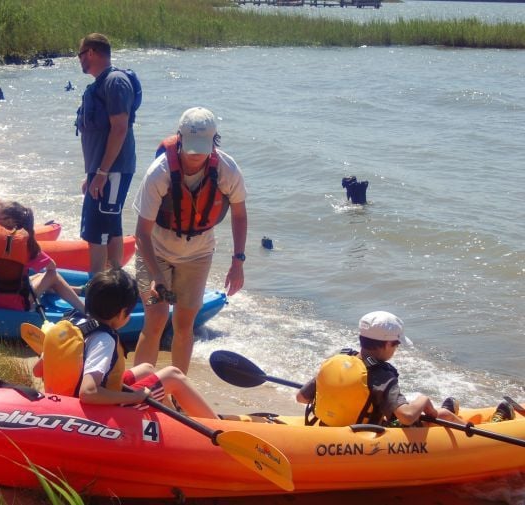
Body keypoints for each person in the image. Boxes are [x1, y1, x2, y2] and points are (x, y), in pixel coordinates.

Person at [132, 107, 247, 374]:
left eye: (202, 148)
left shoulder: (227, 170)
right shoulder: (158, 173)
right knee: (157, 318)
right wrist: (156, 275)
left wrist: (238, 261)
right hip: (154, 251)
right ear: (179, 139)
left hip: (198, 255)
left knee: (184, 324)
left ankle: (176, 391)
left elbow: (239, 215)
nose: (195, 156)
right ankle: (138, 390)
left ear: (214, 142)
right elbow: (142, 233)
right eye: (191, 148)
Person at [35, 268, 217, 418]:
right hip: (86, 413)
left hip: (63, 401)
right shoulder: (103, 339)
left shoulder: (67, 325)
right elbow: (88, 393)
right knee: (173, 375)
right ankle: (217, 428)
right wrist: (135, 397)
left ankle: (171, 420)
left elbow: (38, 370)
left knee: (146, 368)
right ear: (122, 313)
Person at [295, 311, 516, 427]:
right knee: (443, 415)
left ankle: (448, 407)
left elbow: (301, 398)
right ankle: (490, 425)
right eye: (396, 344)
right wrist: (423, 400)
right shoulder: (381, 374)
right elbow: (407, 417)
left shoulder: (338, 360)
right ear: (387, 344)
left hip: (331, 427)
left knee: (436, 412)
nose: (396, 349)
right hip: (367, 435)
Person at [75, 33, 138, 275]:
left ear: (91, 52)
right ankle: (112, 285)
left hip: (112, 170)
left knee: (97, 230)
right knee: (109, 226)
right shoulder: (101, 84)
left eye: (80, 55)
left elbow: (120, 127)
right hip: (103, 170)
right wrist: (93, 172)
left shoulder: (115, 81)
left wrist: (102, 172)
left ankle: (98, 287)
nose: (79, 61)